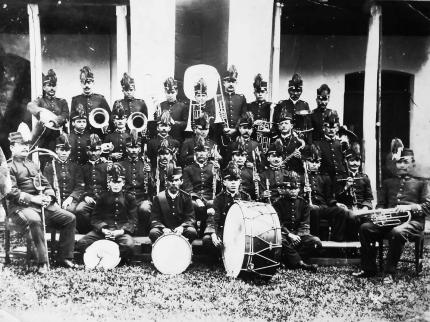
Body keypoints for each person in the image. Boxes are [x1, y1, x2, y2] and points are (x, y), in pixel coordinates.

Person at [353, 148, 430, 283]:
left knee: (397, 232)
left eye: (405, 162)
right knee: (365, 228)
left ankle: (389, 272)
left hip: (413, 222)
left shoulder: (422, 183)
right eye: (398, 162)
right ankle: (369, 268)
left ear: (413, 163)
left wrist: (409, 207)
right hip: (390, 220)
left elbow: (427, 206)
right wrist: (380, 212)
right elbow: (381, 204)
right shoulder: (388, 182)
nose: (401, 165)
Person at [6, 131, 76, 273]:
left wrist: (49, 197)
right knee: (35, 221)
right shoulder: (8, 168)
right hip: (20, 208)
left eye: (26, 144)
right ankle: (42, 262)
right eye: (21, 145)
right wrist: (33, 198)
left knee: (69, 218)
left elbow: (46, 184)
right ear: (12, 147)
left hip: (41, 205)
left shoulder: (32, 164)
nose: (26, 147)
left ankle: (65, 257)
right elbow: (10, 192)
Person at [260, 157, 321, 272]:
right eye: (290, 188)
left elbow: (305, 224)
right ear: (284, 189)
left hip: (298, 236)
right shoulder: (278, 204)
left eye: (296, 188)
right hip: (285, 235)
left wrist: (298, 235)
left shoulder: (304, 203)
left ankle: (288, 261)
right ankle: (300, 263)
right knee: (280, 241)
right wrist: (289, 235)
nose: (293, 191)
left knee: (315, 242)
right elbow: (279, 224)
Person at [76, 163, 137, 262]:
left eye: (118, 182)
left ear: (123, 183)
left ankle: (112, 258)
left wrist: (121, 231)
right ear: (109, 183)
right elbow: (95, 218)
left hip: (120, 232)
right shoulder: (102, 197)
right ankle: (103, 253)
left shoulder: (129, 198)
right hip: (103, 231)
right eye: (113, 182)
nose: (116, 185)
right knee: (82, 243)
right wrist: (103, 230)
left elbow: (133, 220)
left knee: (129, 245)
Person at [301, 144, 351, 241]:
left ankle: (336, 241)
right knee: (314, 211)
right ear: (305, 161)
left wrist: (336, 204)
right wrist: (303, 192)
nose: (314, 165)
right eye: (311, 162)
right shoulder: (301, 177)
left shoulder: (325, 177)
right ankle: (315, 242)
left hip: (323, 207)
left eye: (317, 162)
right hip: (308, 208)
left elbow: (328, 197)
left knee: (341, 212)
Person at [203, 162, 250, 264]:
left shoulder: (246, 197)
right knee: (208, 240)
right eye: (230, 180)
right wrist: (213, 234)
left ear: (240, 182)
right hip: (223, 230)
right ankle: (218, 259)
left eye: (236, 180)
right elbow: (214, 219)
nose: (233, 183)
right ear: (224, 182)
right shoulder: (219, 198)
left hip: (240, 230)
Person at [27, 69, 69, 170]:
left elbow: (65, 115)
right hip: (44, 138)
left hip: (59, 138)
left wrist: (54, 121)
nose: (52, 88)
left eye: (54, 85)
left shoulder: (62, 102)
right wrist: (40, 112)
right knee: (45, 165)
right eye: (49, 85)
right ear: (44, 87)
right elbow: (30, 106)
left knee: (60, 165)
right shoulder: (40, 101)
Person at [149, 167, 197, 243]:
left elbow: (190, 217)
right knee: (153, 233)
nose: (174, 183)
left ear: (181, 181)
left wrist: (182, 227)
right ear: (166, 182)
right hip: (164, 230)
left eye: (176, 180)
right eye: (171, 181)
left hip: (181, 230)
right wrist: (163, 228)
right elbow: (154, 218)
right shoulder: (159, 197)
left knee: (192, 232)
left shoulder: (186, 197)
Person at [182, 140, 219, 237]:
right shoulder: (188, 169)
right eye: (199, 151)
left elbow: (218, 187)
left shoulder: (213, 167)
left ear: (208, 153)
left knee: (212, 203)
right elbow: (187, 188)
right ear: (195, 153)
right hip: (193, 197)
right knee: (192, 204)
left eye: (204, 151)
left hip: (209, 196)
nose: (202, 154)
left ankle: (207, 230)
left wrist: (218, 174)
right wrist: (197, 198)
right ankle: (191, 229)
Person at [74, 134, 109, 233]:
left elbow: (110, 185)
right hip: (89, 198)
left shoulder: (107, 165)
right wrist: (85, 197)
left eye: (96, 150)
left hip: (104, 198)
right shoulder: (82, 167)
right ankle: (87, 231)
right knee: (80, 210)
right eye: (91, 150)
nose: (94, 153)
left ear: (101, 151)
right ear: (87, 151)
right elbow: (80, 184)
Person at [43, 134, 85, 215]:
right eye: (61, 150)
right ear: (56, 150)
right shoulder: (49, 167)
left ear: (70, 151)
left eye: (66, 150)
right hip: (54, 200)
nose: (64, 153)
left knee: (70, 210)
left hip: (71, 199)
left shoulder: (75, 166)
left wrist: (70, 198)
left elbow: (80, 186)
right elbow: (46, 186)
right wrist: (52, 201)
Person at [70, 66, 111, 137]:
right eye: (84, 83)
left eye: (89, 83)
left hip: (98, 134)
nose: (86, 86)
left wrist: (107, 128)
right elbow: (72, 121)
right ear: (81, 83)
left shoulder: (100, 98)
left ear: (93, 83)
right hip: (81, 137)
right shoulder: (75, 100)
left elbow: (109, 117)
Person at [313, 111, 347, 187]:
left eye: (334, 127)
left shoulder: (341, 143)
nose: (331, 130)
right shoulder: (318, 144)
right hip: (325, 182)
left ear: (337, 128)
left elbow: (345, 163)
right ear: (323, 128)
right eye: (328, 127)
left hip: (340, 181)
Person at [152, 77, 188, 143]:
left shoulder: (183, 106)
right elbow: (155, 124)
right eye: (168, 93)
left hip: (176, 139)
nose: (170, 95)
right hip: (161, 139)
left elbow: (185, 124)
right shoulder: (161, 105)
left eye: (172, 92)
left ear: (176, 92)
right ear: (165, 92)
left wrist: (174, 122)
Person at [219, 65, 247, 140]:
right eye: (228, 81)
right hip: (221, 135)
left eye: (233, 81)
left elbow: (243, 116)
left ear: (236, 83)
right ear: (223, 83)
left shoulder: (241, 98)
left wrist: (235, 129)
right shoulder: (218, 98)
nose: (231, 84)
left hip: (237, 135)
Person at [247, 74, 273, 152]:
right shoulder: (249, 105)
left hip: (266, 137)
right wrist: (254, 123)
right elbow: (246, 122)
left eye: (262, 91)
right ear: (254, 93)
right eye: (258, 92)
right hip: (252, 136)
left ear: (266, 92)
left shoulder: (271, 106)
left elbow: (273, 123)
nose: (260, 94)